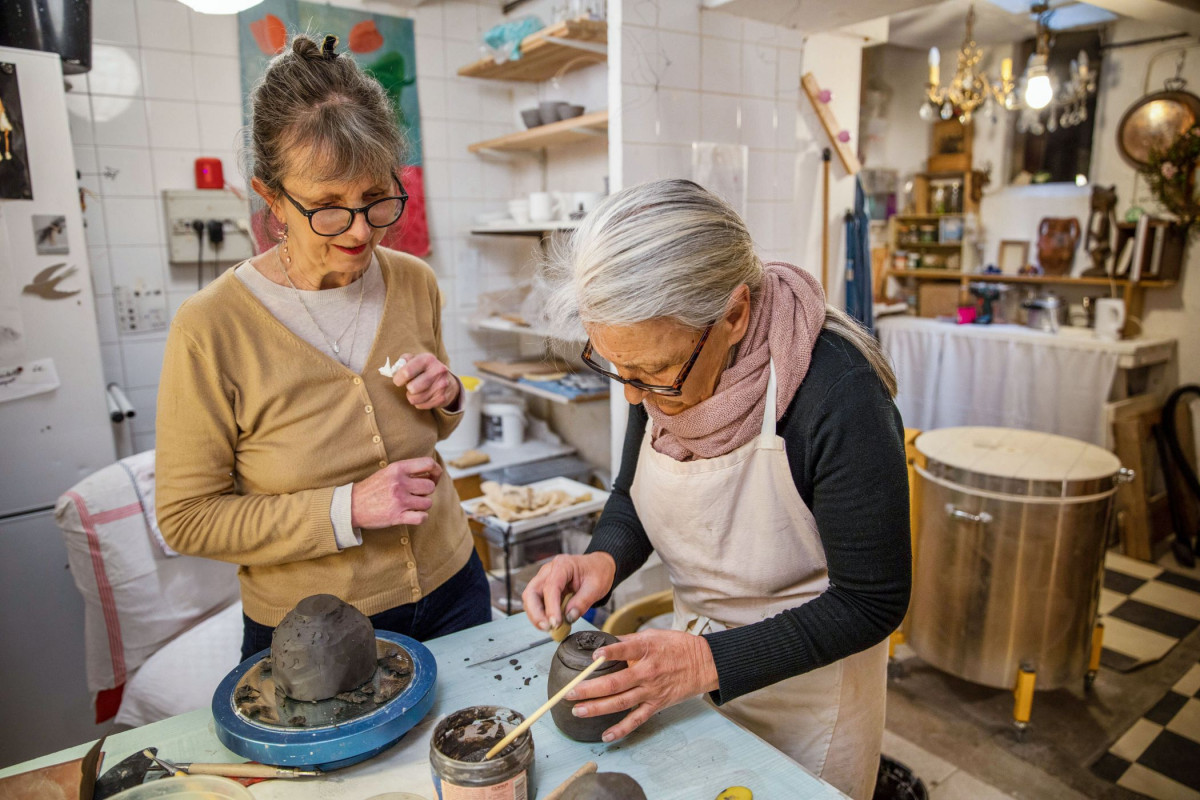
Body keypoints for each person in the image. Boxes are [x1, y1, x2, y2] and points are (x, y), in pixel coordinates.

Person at [522, 179, 911, 799]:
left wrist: (705, 663)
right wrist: (603, 557)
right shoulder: (661, 369)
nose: (633, 396)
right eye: (618, 368)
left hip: (807, 702)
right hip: (686, 679)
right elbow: (633, 497)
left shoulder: (837, 394)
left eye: (650, 374)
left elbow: (873, 602)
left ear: (734, 315)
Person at [156, 34, 490, 661]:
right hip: (315, 629)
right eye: (329, 207)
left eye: (375, 198)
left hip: (456, 586)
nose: (362, 229)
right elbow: (187, 517)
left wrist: (444, 395)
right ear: (272, 198)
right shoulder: (211, 326)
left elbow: (434, 432)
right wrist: (347, 509)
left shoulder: (413, 280)